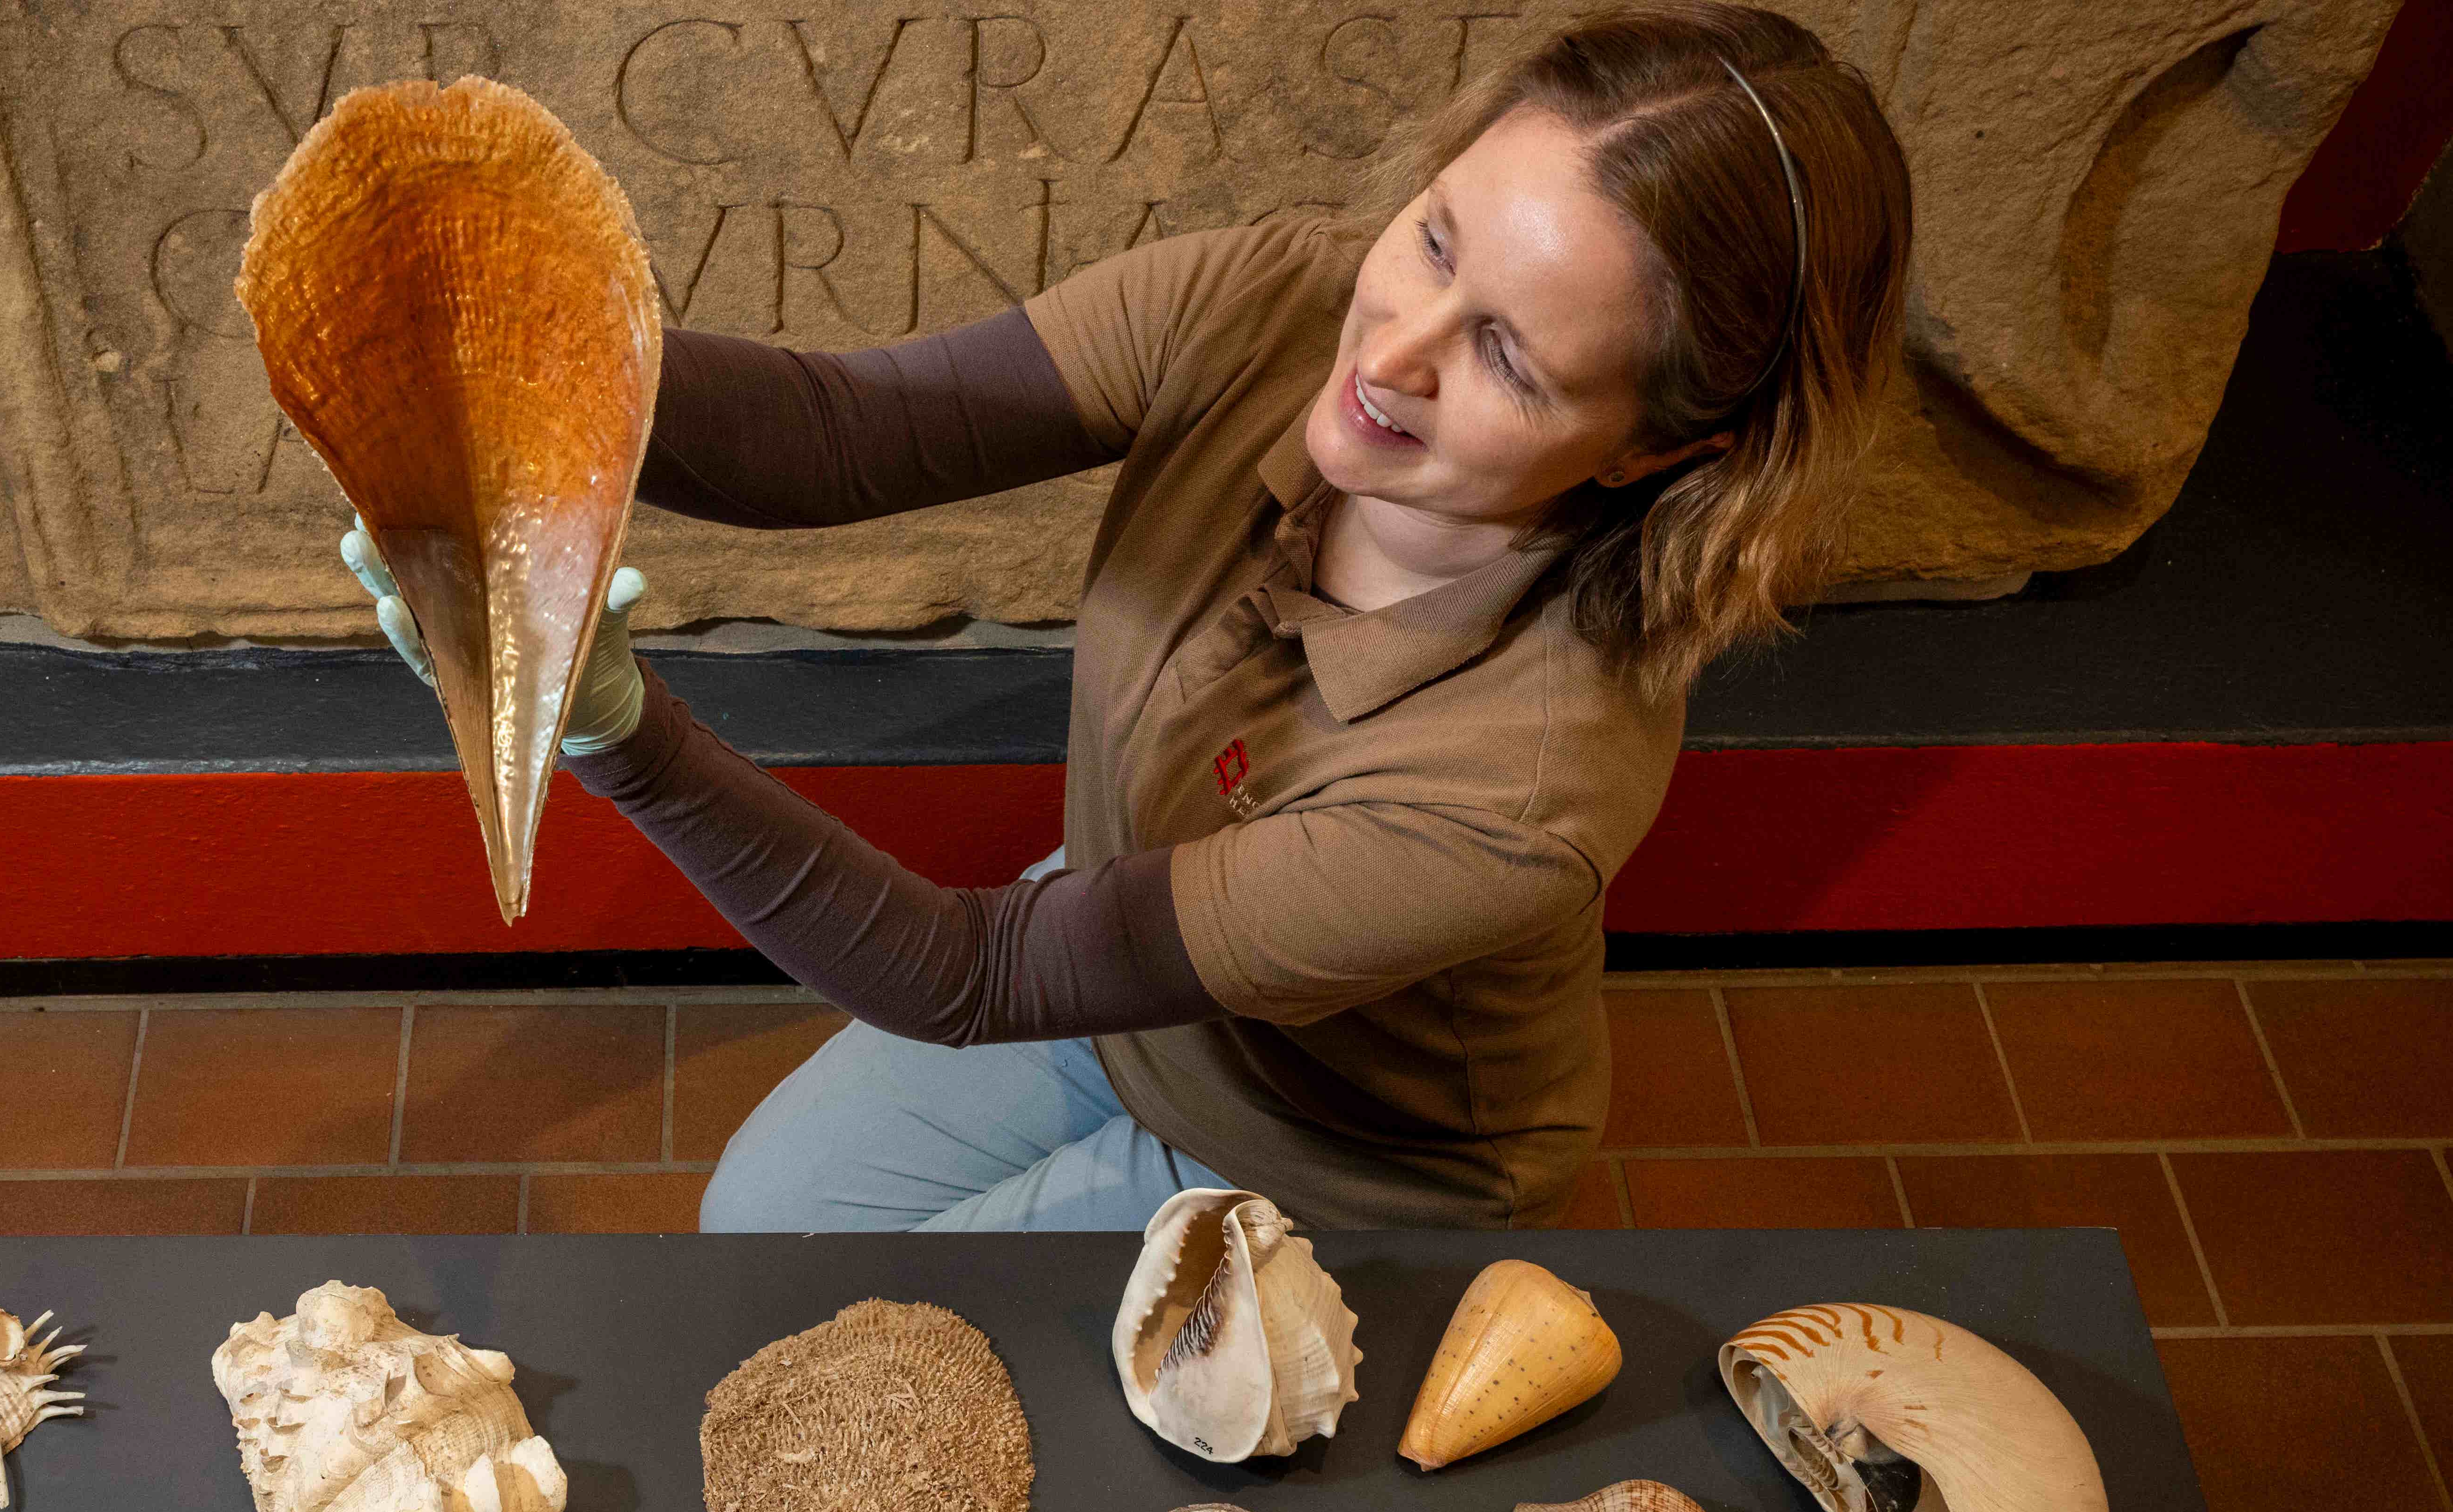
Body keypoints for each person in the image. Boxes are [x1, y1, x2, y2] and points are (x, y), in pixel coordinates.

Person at [346, 2, 1912, 1233]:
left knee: (923, 1357)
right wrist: (525, 346)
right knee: (766, 1219)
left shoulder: (1522, 796)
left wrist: (616, 732)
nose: (1392, 351)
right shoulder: (1277, 300)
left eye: (1509, 357)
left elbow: (968, 970)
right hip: (1122, 936)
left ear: (1659, 451)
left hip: (1327, 1156)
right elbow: (844, 432)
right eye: (1435, 237)